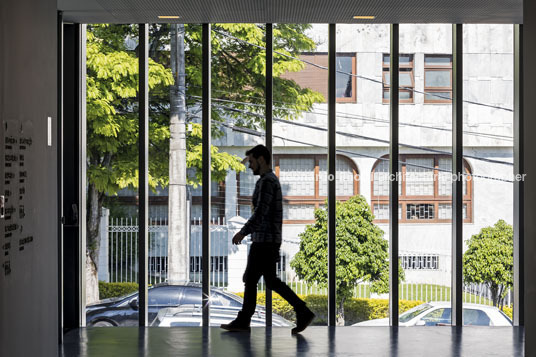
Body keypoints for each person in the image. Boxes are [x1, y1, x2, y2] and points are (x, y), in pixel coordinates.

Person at [220, 144, 315, 334]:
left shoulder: (267, 182)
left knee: (252, 279)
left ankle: (245, 320)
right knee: (266, 280)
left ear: (261, 160)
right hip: (268, 239)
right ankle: (301, 311)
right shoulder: (269, 180)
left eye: (252, 161)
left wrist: (243, 232)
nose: (249, 166)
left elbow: (261, 212)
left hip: (265, 240)